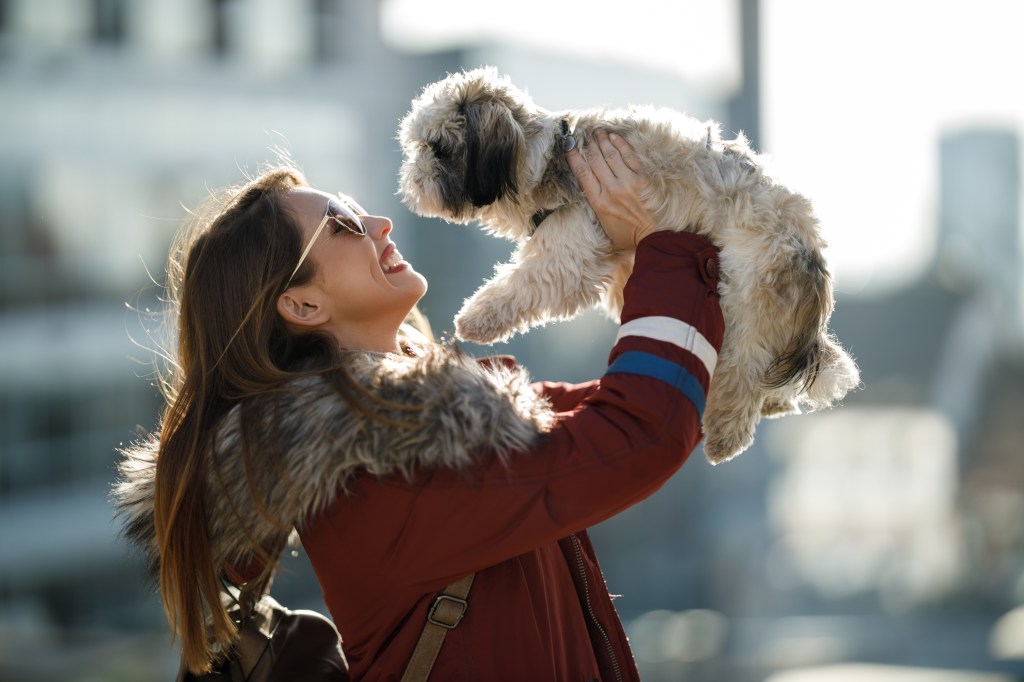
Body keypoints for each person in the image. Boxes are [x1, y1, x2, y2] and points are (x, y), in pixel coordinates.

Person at [114, 129, 724, 681]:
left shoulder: (426, 427)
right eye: (343, 226)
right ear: (302, 307)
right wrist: (662, 241)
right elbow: (642, 431)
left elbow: (658, 405)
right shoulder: (381, 479)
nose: (380, 223)